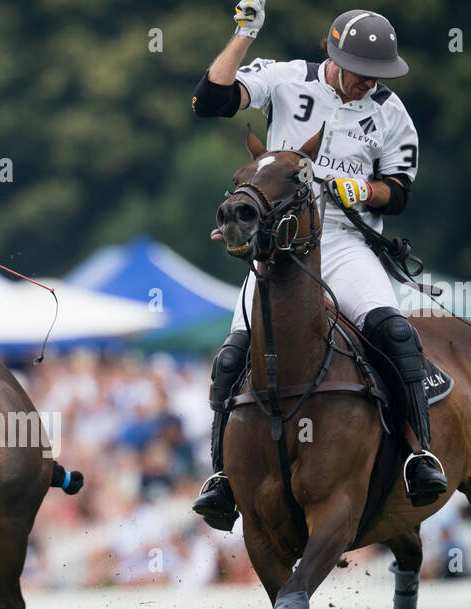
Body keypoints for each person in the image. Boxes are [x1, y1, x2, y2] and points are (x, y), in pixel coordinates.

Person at [190, 3, 447, 532]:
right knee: (233, 355)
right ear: (334, 56)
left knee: (394, 333)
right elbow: (209, 99)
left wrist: (364, 189)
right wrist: (243, 36)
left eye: (377, 75)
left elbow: (398, 193)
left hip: (349, 243)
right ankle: (221, 476)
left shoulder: (392, 113)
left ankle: (419, 454)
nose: (367, 84)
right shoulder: (287, 80)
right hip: (281, 245)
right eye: (360, 73)